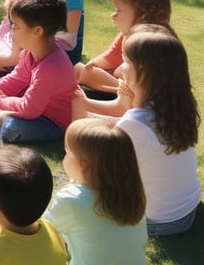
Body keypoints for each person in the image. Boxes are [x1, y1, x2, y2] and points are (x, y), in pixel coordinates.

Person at [75, 25, 200, 235]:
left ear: (143, 71)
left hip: (157, 221)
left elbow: (97, 172)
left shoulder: (136, 123)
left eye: (125, 61)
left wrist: (78, 108)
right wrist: (128, 105)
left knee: (81, 192)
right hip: (187, 210)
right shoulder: (176, 105)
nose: (118, 70)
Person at [44, 119, 148, 265]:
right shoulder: (132, 187)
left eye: (67, 152)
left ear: (84, 163)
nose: (64, 157)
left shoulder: (71, 199)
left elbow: (42, 231)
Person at [0, 0, 77, 144]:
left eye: (15, 26)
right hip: (35, 111)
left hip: (51, 123)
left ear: (37, 31)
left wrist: (1, 101)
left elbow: (28, 109)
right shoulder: (30, 53)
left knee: (10, 127)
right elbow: (17, 77)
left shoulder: (52, 67)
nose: (11, 31)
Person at [74, 0, 171, 97]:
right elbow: (108, 57)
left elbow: (116, 68)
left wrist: (88, 71)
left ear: (143, 15)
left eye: (118, 10)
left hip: (139, 98)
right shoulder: (126, 35)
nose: (113, 15)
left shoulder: (149, 45)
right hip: (125, 88)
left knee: (82, 74)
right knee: (81, 70)